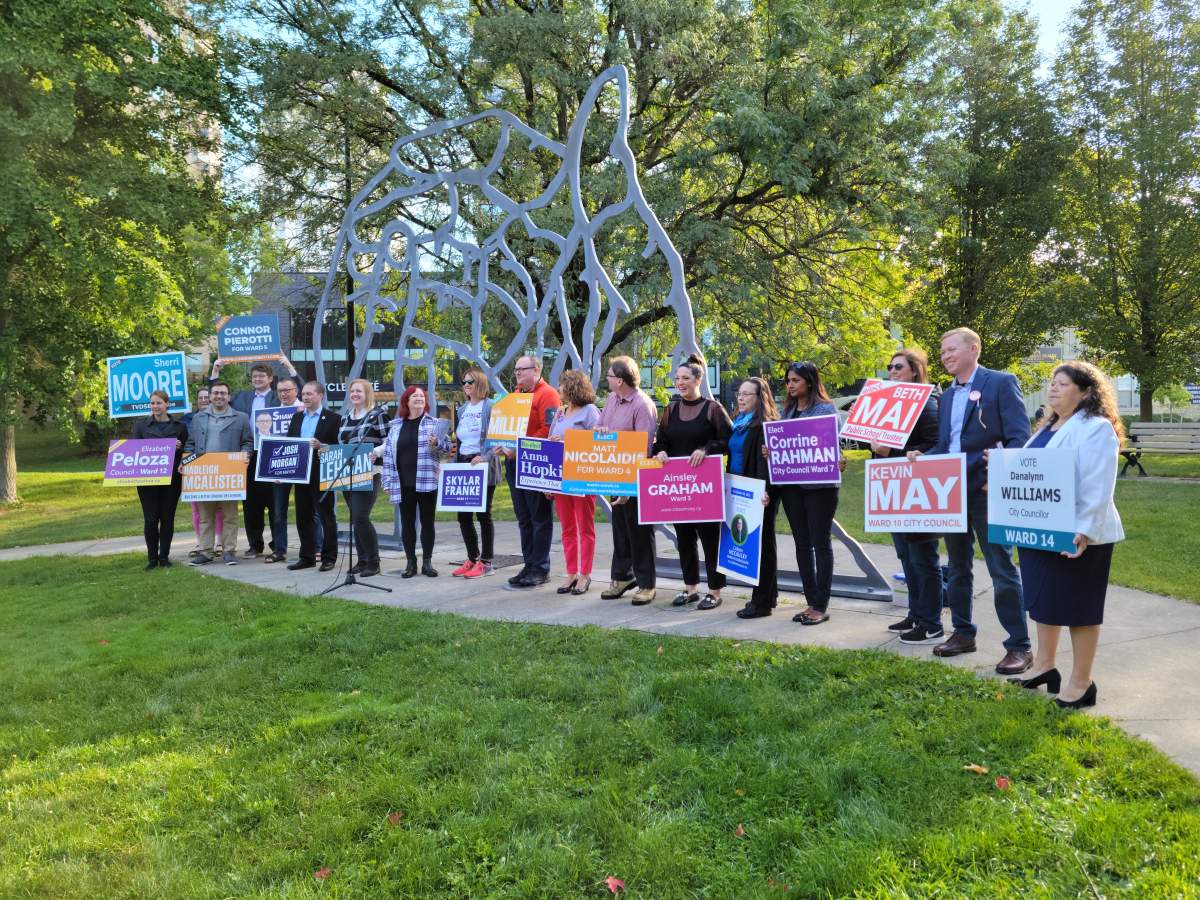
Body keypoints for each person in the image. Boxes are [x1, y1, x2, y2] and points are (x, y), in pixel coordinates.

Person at [911, 327, 1032, 675]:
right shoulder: (946, 395)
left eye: (951, 349)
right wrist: (923, 454)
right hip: (950, 492)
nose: (945, 355)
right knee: (958, 567)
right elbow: (949, 447)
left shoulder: (1001, 382)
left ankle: (1019, 646)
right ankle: (962, 633)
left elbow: (1018, 439)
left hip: (984, 493)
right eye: (942, 351)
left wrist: (996, 479)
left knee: (1001, 569)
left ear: (973, 349)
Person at [1008, 362, 1125, 709]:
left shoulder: (1096, 428)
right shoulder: (1047, 428)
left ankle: (1081, 682)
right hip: (1038, 530)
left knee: (1079, 608)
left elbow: (1098, 483)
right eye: (1051, 383)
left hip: (1076, 534)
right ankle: (1044, 666)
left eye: (1062, 384)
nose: (1053, 389)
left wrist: (1085, 530)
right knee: (1045, 602)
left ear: (1086, 391)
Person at [871, 348, 945, 644]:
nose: (892, 371)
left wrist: (896, 451)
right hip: (893, 488)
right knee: (906, 555)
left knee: (924, 558)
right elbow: (880, 445)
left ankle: (932, 622)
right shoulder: (888, 404)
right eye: (889, 367)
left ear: (915, 370)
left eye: (898, 367)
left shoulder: (928, 403)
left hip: (919, 491)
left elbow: (937, 445)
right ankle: (916, 613)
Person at [653, 353, 732, 610]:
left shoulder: (713, 409)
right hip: (677, 487)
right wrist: (660, 451)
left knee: (710, 539)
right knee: (684, 538)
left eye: (685, 377)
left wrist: (706, 449)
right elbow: (661, 440)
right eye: (677, 378)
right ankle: (690, 588)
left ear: (698, 379)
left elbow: (727, 441)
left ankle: (715, 590)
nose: (680, 382)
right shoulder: (671, 409)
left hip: (705, 487)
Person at [776, 361, 840, 625]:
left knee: (820, 543)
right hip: (792, 488)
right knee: (802, 543)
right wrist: (772, 449)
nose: (790, 386)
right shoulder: (788, 411)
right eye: (789, 381)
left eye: (796, 381)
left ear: (810, 382)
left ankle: (820, 605)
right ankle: (811, 599)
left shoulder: (825, 410)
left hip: (820, 489)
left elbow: (827, 443)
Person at [598, 356, 659, 605]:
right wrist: (600, 432)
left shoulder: (642, 405)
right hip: (614, 475)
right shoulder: (612, 399)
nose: (607, 380)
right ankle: (623, 577)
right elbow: (600, 427)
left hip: (636, 478)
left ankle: (647, 584)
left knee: (639, 531)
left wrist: (630, 486)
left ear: (620, 380)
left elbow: (644, 448)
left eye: (610, 376)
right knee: (620, 529)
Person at [376, 385, 450, 578]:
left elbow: (447, 450)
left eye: (422, 396)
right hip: (402, 482)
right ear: (406, 401)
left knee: (427, 522)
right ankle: (410, 563)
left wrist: (438, 443)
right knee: (407, 524)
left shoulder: (435, 424)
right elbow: (389, 457)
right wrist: (387, 481)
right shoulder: (396, 426)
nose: (419, 398)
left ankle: (427, 563)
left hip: (427, 480)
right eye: (414, 396)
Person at [504, 355, 561, 589]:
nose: (517, 373)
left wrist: (520, 446)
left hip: (534, 462)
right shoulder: (516, 395)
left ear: (536, 369)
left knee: (539, 518)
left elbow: (548, 429)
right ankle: (529, 564)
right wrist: (502, 443)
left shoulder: (548, 394)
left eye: (522, 369)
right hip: (513, 461)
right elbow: (507, 425)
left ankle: (540, 568)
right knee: (524, 518)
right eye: (516, 369)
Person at [183, 381, 253, 565]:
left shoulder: (241, 417)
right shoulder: (198, 418)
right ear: (211, 396)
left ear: (229, 396)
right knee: (205, 516)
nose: (219, 396)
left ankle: (229, 551)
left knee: (230, 515)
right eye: (216, 393)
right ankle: (206, 552)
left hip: (229, 474)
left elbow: (247, 442)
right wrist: (186, 461)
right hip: (204, 474)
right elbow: (190, 444)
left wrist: (245, 455)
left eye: (223, 393)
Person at [729, 377, 781, 619]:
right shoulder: (739, 423)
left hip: (759, 493)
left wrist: (765, 490)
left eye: (747, 394)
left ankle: (761, 603)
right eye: (740, 393)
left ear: (760, 398)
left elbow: (765, 463)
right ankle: (769, 595)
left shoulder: (764, 425)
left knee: (762, 546)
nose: (741, 398)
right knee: (755, 545)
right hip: (740, 490)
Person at [548, 369, 601, 595]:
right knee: (567, 527)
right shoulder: (560, 413)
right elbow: (551, 441)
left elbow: (598, 439)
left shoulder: (590, 411)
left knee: (585, 527)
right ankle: (570, 572)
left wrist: (568, 439)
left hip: (582, 478)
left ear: (572, 387)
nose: (558, 390)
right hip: (560, 478)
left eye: (561, 385)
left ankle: (585, 574)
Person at [449, 365, 503, 578]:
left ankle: (487, 562)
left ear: (479, 384)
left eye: (469, 382)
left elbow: (497, 437)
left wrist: (486, 457)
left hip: (482, 464)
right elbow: (460, 439)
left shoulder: (490, 406)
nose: (466, 386)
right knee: (462, 516)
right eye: (464, 382)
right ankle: (472, 558)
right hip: (463, 464)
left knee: (483, 514)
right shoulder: (462, 410)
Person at [286, 381, 341, 572]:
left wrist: (322, 445)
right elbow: (289, 445)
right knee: (303, 517)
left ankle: (329, 557)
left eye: (310, 394)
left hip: (323, 473)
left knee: (326, 516)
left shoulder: (334, 419)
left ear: (320, 396)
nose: (305, 397)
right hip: (301, 474)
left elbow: (339, 448)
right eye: (304, 394)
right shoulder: (297, 418)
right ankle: (307, 557)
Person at [132, 389, 188, 569]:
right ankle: (152, 558)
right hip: (147, 480)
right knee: (150, 519)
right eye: (152, 403)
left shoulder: (180, 427)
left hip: (172, 479)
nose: (155, 406)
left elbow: (186, 452)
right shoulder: (141, 426)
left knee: (167, 518)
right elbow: (134, 451)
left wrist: (179, 447)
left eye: (159, 403)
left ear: (167, 404)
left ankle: (164, 557)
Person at [338, 378, 388, 577]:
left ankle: (374, 562)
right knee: (354, 518)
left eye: (359, 391)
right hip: (347, 473)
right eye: (352, 391)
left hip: (369, 471)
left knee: (360, 517)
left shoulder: (378, 415)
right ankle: (362, 560)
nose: (355, 394)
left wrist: (376, 451)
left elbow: (389, 441)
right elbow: (341, 444)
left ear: (367, 393)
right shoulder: (345, 417)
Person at [263, 377, 304, 564]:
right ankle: (280, 550)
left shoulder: (305, 408)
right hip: (279, 465)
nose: (284, 394)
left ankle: (316, 547)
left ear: (296, 390)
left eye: (287, 390)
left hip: (303, 464)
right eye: (280, 391)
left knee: (309, 510)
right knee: (278, 512)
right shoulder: (271, 412)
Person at [185, 386, 223, 557]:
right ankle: (201, 542)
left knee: (220, 507)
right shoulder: (188, 420)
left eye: (206, 397)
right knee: (197, 508)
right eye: (200, 397)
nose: (203, 400)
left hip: (220, 466)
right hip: (196, 467)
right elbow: (188, 443)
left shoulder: (222, 417)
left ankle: (219, 541)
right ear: (196, 400)